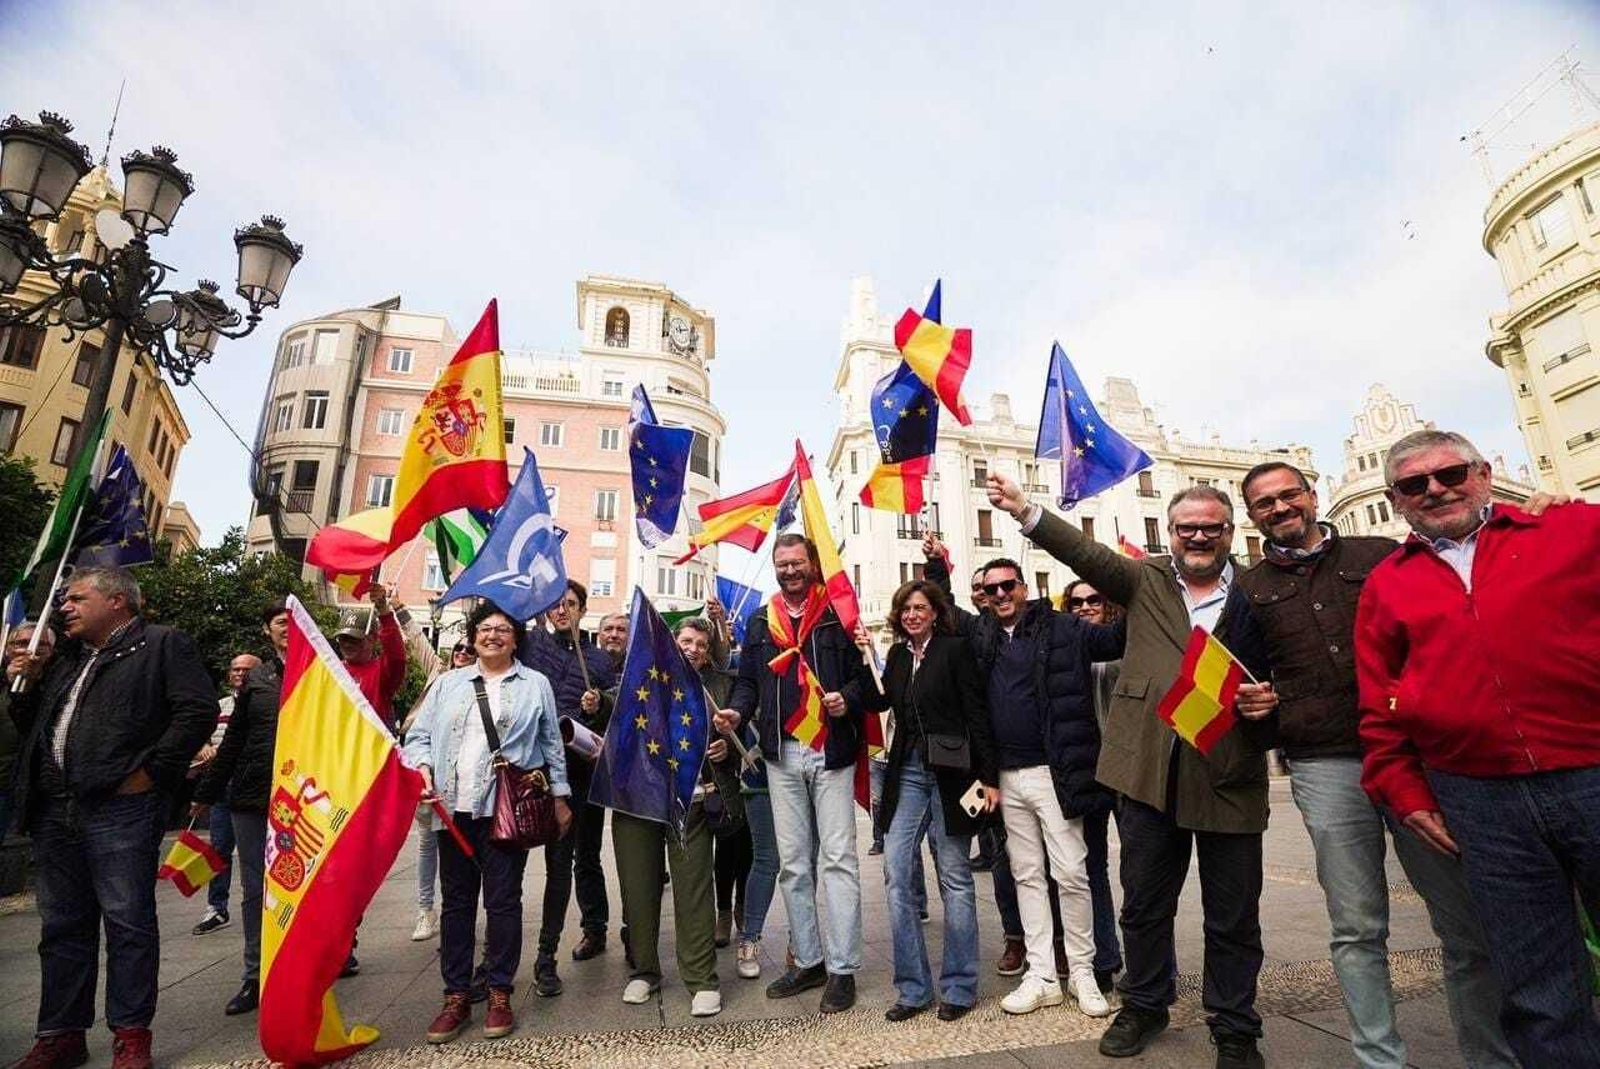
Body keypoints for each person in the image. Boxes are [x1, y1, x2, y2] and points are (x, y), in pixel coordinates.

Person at [988, 473, 1278, 1069]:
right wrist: (1026, 511)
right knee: (1143, 904)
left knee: (1233, 913)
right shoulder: (1145, 580)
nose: (1198, 536)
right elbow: (1083, 552)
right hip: (1148, 772)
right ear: (1169, 534)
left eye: (1210, 527)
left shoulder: (1259, 592)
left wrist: (1275, 698)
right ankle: (1144, 1005)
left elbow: (1294, 668)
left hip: (1229, 772)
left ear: (1230, 532)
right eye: (1186, 528)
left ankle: (1235, 1026)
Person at [1238, 459, 1517, 1069]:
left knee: (1464, 922)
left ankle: (1491, 1057)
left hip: (1417, 758)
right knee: (1357, 926)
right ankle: (1378, 1059)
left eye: (1290, 496)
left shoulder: (1382, 554)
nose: (1281, 509)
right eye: (1265, 504)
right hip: (1324, 764)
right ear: (1252, 516)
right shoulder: (1249, 588)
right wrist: (1252, 701)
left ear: (1313, 497)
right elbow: (1239, 676)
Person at [1355, 430, 1600, 1065]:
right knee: (1536, 982)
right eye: (1415, 484)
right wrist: (1405, 794)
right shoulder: (1387, 583)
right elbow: (1378, 703)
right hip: (1478, 800)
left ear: (1484, 473)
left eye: (1451, 474)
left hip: (1591, 772)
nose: (1436, 489)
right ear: (1397, 499)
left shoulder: (1573, 530)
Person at [6, 567, 215, 1069]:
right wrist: (27, 684)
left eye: (77, 598)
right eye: (66, 600)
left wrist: (150, 774)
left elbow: (197, 711)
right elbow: (31, 725)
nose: (66, 608)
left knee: (128, 923)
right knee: (61, 925)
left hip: (121, 808)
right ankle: (61, 1032)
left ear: (117, 600)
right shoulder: (68, 658)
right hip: (56, 809)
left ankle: (130, 1034)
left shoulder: (162, 644)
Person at [406, 601, 570, 1045]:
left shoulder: (535, 684)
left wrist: (560, 797)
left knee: (503, 903)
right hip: (452, 807)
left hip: (504, 810)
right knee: (457, 904)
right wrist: (420, 767)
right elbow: (418, 735)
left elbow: (551, 743)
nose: (492, 634)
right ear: (474, 635)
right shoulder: (448, 684)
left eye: (502, 629)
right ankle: (456, 996)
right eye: (484, 627)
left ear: (516, 638)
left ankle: (499, 992)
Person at [725, 532, 874, 1014]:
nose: (789, 570)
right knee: (792, 863)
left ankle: (843, 968)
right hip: (780, 753)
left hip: (830, 749)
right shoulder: (758, 620)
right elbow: (748, 681)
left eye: (796, 562)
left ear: (812, 563)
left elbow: (864, 681)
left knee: (837, 860)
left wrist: (845, 699)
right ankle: (808, 960)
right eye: (781, 563)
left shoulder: (836, 614)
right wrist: (736, 714)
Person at [968, 559, 1120, 1019]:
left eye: (1007, 586)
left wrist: (1140, 584)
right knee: (1026, 877)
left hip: (1055, 773)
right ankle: (1042, 976)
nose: (999, 595)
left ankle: (1083, 972)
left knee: (1072, 874)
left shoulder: (1064, 628)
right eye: (990, 589)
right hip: (1007, 778)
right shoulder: (984, 636)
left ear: (1024, 587)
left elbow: (1116, 638)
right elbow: (948, 617)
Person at [859, 579, 998, 1022]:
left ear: (935, 612)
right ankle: (913, 989)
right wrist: (864, 656)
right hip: (910, 775)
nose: (912, 614)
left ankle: (958, 987)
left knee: (955, 876)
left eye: (920, 607)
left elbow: (978, 714)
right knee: (896, 872)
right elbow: (879, 698)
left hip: (954, 776)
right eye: (906, 609)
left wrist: (989, 779)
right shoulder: (899, 656)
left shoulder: (955, 650)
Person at [611, 617, 745, 1018]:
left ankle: (702, 979)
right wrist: (596, 703)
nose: (694, 648)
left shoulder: (720, 684)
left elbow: (741, 733)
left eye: (702, 644)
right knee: (638, 888)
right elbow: (610, 704)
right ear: (673, 642)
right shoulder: (644, 674)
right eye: (686, 640)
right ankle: (645, 971)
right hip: (639, 799)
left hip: (695, 802)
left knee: (694, 889)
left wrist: (728, 749)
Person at [191, 602, 294, 1019]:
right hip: (252, 798)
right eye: (280, 623)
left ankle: (301, 969)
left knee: (296, 886)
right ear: (267, 630)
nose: (288, 629)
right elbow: (232, 741)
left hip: (303, 799)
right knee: (255, 890)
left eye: (293, 622)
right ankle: (255, 975)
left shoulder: (323, 672)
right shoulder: (257, 680)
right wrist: (207, 792)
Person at [518, 579, 617, 995]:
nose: (562, 610)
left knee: (580, 858)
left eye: (571, 604)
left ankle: (578, 937)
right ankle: (495, 956)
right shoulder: (531, 646)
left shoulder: (597, 659)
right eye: (556, 605)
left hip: (580, 774)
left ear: (582, 611)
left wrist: (597, 708)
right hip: (530, 774)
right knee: (512, 863)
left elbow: (609, 714)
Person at [1064, 579, 1127, 995]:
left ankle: (1154, 966)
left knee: (1143, 873)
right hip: (1088, 773)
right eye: (1076, 602)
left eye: (1094, 599)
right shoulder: (1067, 654)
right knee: (1091, 870)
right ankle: (1105, 958)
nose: (1085, 607)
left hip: (1131, 773)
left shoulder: (1129, 646)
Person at [403, 638, 477, 945]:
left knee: (457, 854)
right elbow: (417, 641)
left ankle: (454, 915)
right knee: (426, 843)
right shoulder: (439, 675)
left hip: (458, 782)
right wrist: (394, 607)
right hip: (423, 772)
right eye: (457, 648)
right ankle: (425, 909)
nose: (461, 653)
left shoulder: (481, 686)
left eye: (467, 650)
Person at [189, 652, 261, 938]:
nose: (240, 674)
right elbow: (197, 736)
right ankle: (216, 907)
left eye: (246, 670)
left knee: (252, 854)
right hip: (220, 786)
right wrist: (204, 747)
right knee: (219, 848)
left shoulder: (263, 703)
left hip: (249, 787)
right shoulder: (218, 706)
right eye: (235, 669)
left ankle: (258, 905)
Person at [0, 621, 56, 842]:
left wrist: (29, 685)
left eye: (40, 644)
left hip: (24, 788)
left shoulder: (56, 685)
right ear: (8, 647)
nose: (29, 649)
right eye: (21, 643)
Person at [334, 584, 408, 726]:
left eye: (355, 639)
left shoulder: (382, 673)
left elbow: (396, 657)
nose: (348, 644)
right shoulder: (331, 669)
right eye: (343, 638)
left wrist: (383, 610)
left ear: (373, 639)